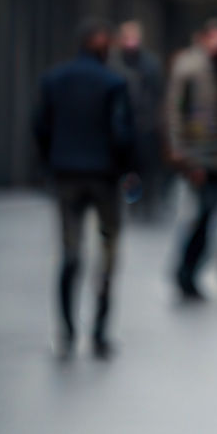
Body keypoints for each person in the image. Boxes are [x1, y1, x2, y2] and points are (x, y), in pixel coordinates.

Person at [33, 18, 134, 358]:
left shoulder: (54, 80)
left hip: (66, 176)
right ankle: (99, 331)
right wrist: (126, 169)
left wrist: (51, 161)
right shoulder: (113, 83)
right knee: (107, 252)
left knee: (70, 252)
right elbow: (122, 134)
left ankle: (66, 330)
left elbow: (40, 127)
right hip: (104, 177)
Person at [166, 18, 217, 300]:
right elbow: (174, 112)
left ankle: (189, 273)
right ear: (206, 37)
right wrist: (183, 155)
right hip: (198, 158)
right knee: (197, 217)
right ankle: (184, 272)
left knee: (209, 218)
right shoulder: (189, 67)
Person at [109, 19, 166, 218]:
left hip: (145, 125)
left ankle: (145, 203)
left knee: (146, 167)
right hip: (120, 124)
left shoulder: (151, 64)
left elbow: (158, 94)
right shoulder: (113, 63)